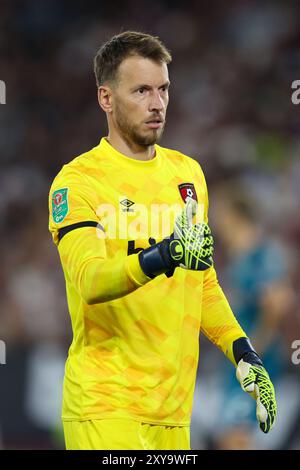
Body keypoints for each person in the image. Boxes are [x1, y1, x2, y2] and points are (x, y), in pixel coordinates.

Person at [48, 31, 276, 450]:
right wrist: (165, 254)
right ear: (106, 99)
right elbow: (90, 281)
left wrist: (243, 352)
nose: (157, 104)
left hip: (172, 413)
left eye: (163, 89)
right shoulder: (78, 182)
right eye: (141, 91)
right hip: (106, 406)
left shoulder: (188, 176)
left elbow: (201, 282)